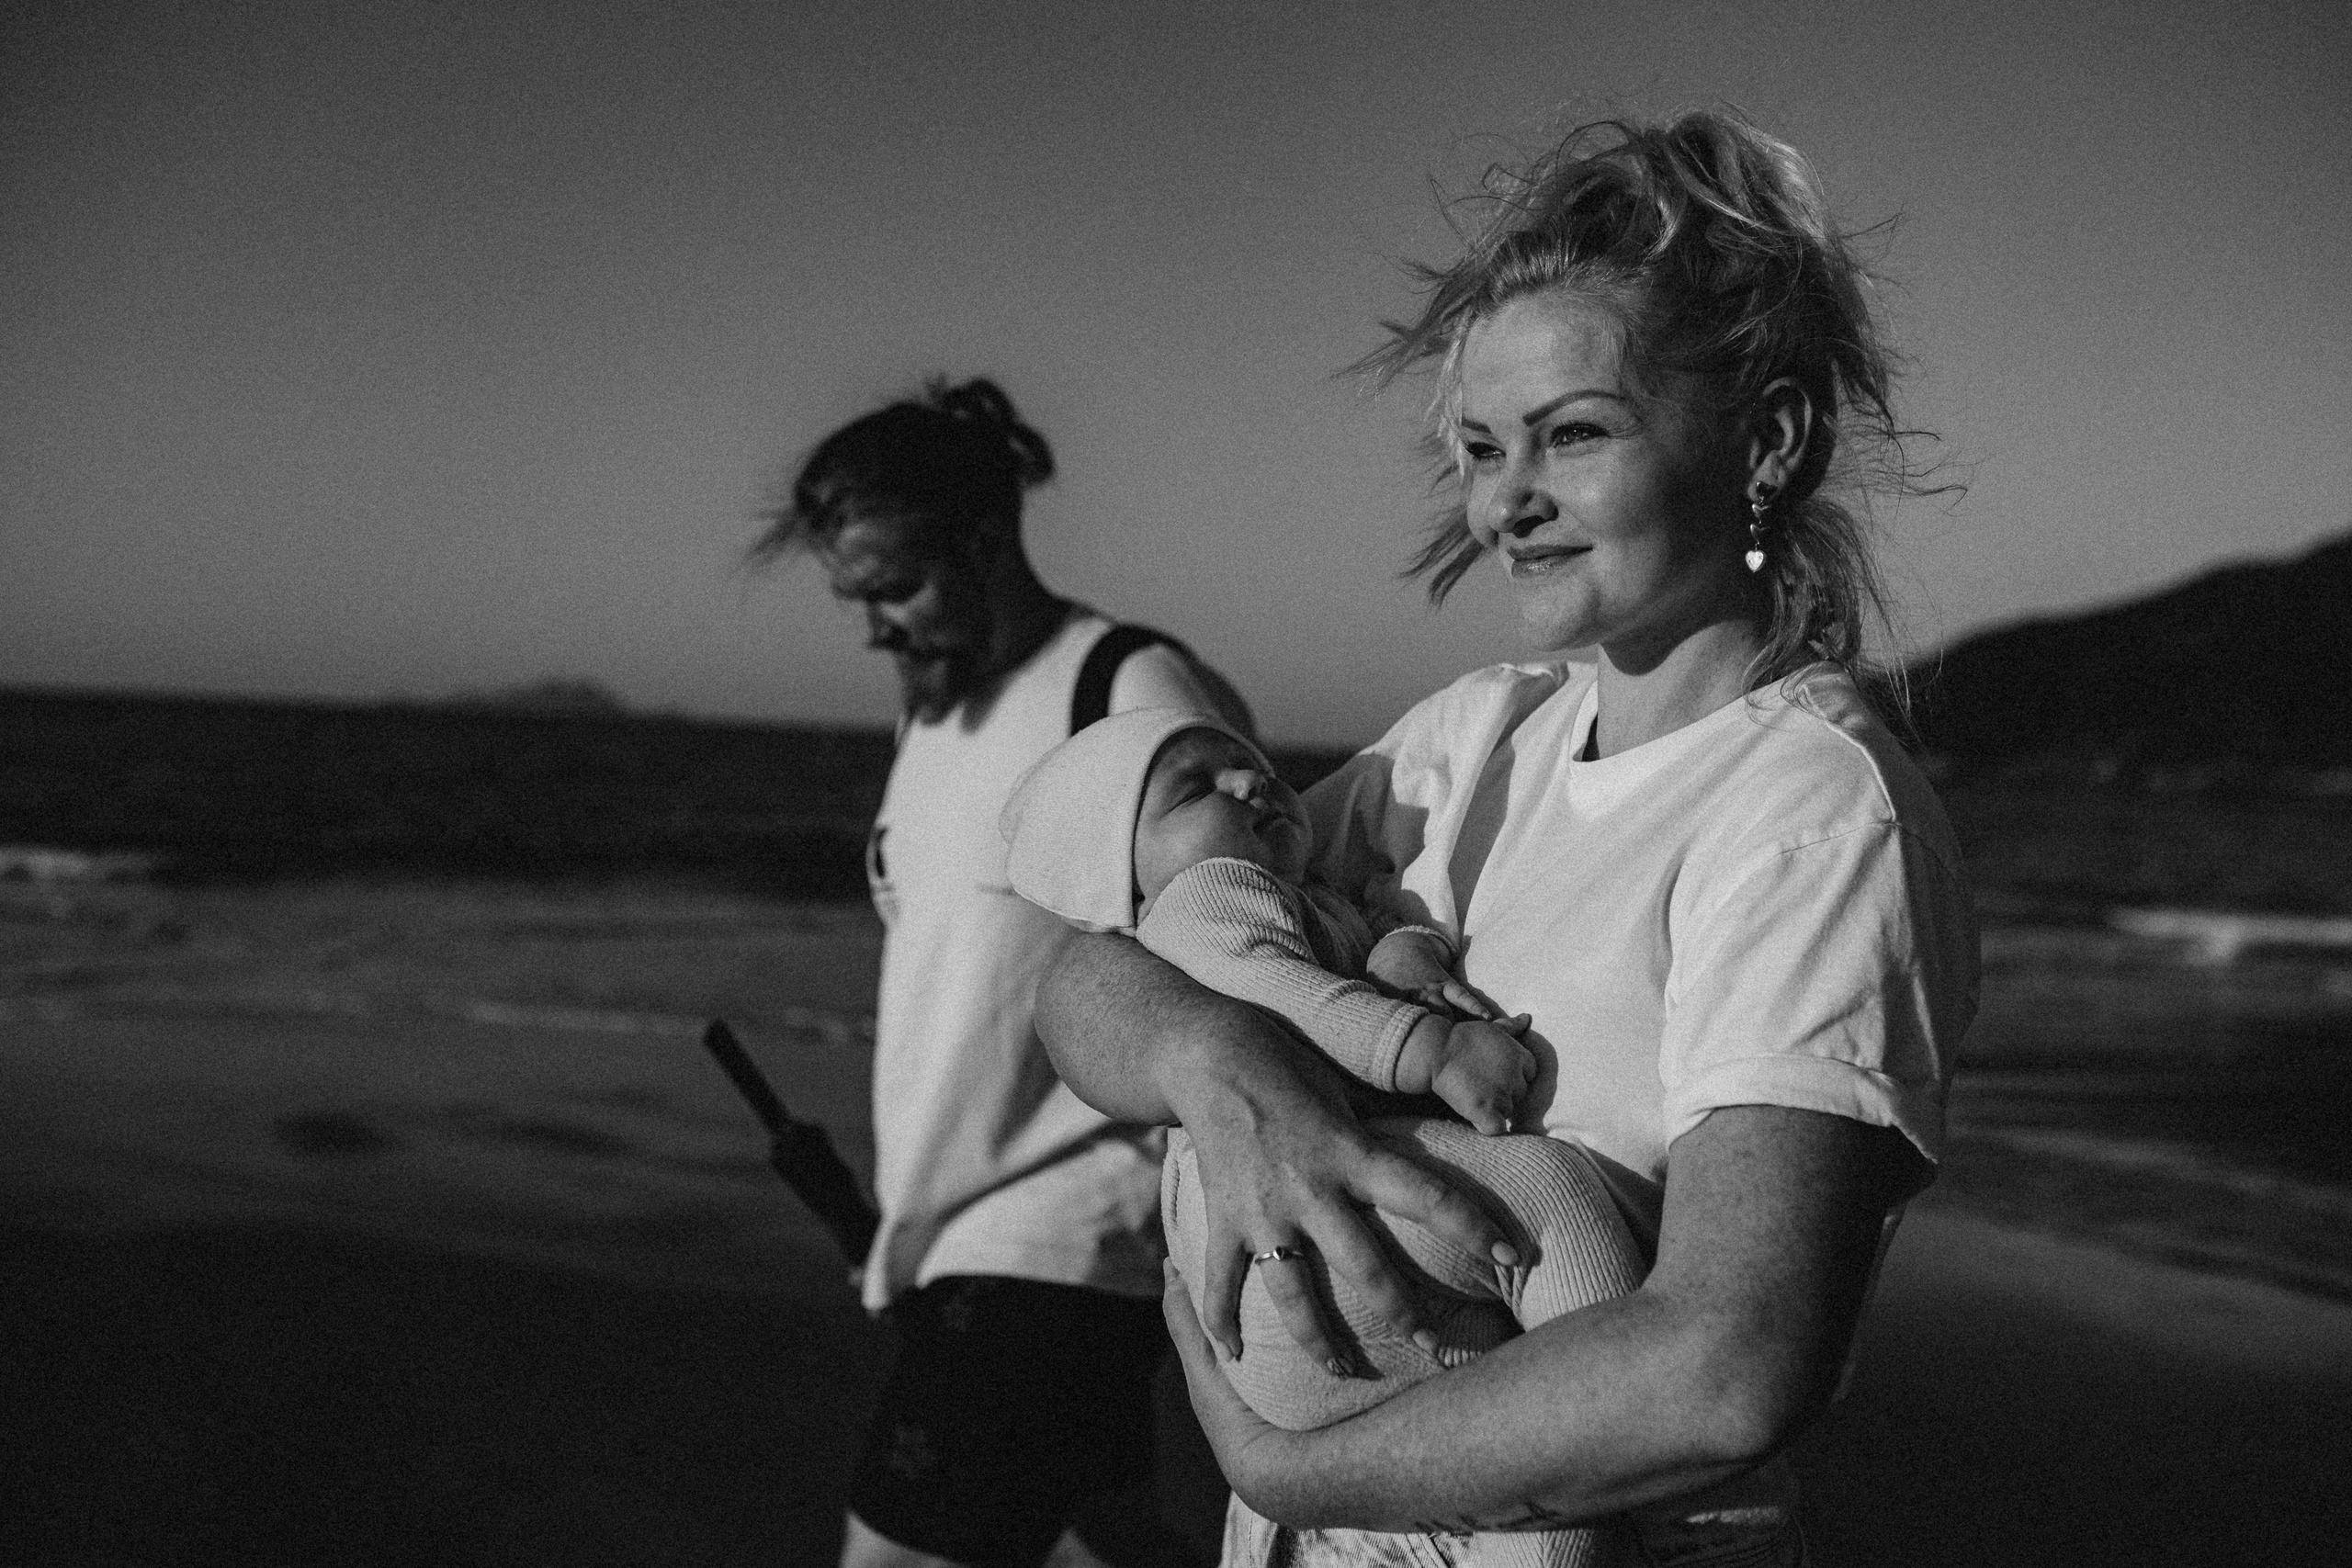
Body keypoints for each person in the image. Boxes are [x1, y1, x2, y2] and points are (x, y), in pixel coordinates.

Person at [1032, 111, 1979, 1565]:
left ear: (1768, 439)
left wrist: (1301, 1471)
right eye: (1480, 448)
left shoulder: (1808, 811)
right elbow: (1091, 971)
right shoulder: (1473, 738)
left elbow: (1728, 1368)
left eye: (1575, 434)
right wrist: (1225, 1067)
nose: (1506, 500)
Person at [1001, 707, 1799, 1566]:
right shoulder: (1207, 898)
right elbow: (1285, 996)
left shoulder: (1302, 892)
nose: (1250, 782)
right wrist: (1434, 1046)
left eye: (1249, 762)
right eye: (1195, 787)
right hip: (1304, 1244)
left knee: (1519, 1435)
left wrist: (1407, 954)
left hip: (1313, 1299)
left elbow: (1373, 935)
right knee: (1541, 1192)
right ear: (1121, 882)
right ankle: (1639, 1435)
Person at [752, 377, 1254, 1568]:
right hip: (952, 1231)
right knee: (1108, 1546)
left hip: (1064, 1244)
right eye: (853, 599)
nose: (876, 626)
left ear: (985, 541)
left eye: (894, 589)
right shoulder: (933, 718)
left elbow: (1254, 950)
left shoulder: (1128, 689)